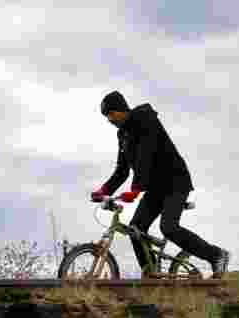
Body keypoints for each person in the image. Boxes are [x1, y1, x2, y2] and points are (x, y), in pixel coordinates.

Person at [91, 91, 230, 278]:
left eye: (111, 114)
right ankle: (151, 273)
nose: (109, 119)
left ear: (121, 109)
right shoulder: (122, 135)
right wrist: (104, 190)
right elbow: (122, 169)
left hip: (175, 181)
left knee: (169, 227)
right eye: (107, 116)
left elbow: (145, 154)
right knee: (136, 229)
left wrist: (136, 188)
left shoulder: (145, 119)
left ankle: (216, 255)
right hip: (155, 187)